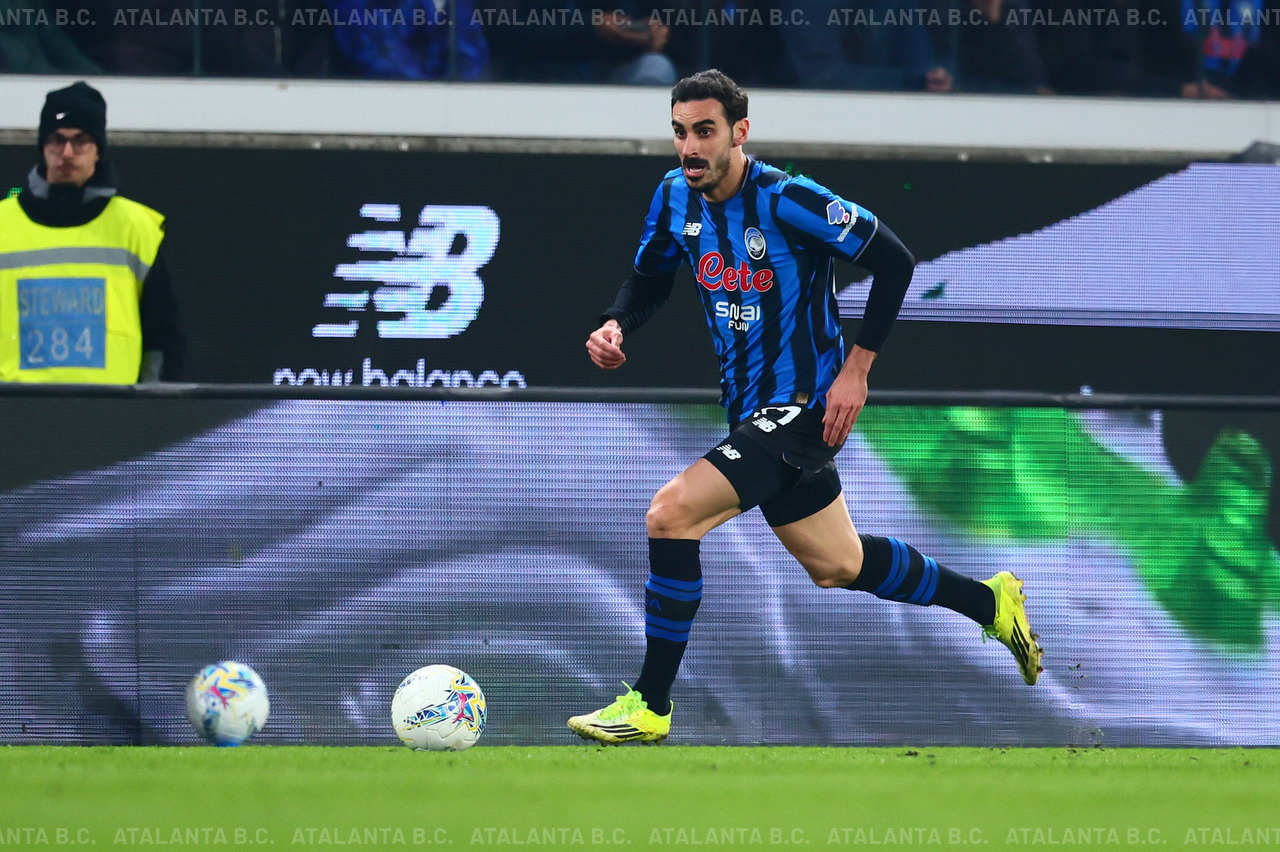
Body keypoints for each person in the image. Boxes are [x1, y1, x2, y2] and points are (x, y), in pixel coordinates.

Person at [567, 69, 1043, 745]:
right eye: (679, 132)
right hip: (750, 410)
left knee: (671, 515)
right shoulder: (674, 196)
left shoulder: (789, 199)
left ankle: (649, 704)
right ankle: (989, 602)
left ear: (740, 132)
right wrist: (616, 324)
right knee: (837, 564)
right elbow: (648, 279)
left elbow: (895, 261)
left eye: (705, 131)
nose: (690, 147)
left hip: (804, 407)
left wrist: (856, 371)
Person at [0, 81, 182, 384]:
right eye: (57, 140)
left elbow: (162, 337)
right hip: (15, 408)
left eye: (81, 141)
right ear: (42, 148)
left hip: (109, 408)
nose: (67, 153)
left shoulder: (135, 227)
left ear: (99, 150)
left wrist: (150, 403)